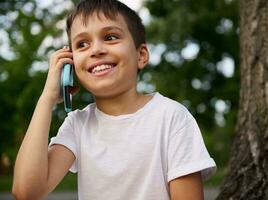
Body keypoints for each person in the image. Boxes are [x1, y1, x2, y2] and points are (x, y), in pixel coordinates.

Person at [12, 0, 216, 199]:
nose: (96, 50)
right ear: (70, 65)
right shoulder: (77, 125)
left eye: (110, 37)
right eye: (82, 44)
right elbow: (26, 191)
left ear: (141, 55)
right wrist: (47, 98)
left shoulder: (171, 117)